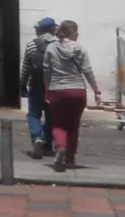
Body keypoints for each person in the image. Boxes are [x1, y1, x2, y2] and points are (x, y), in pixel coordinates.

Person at [43, 19, 102, 172]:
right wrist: (96, 90)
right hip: (77, 90)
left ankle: (60, 147)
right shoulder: (80, 48)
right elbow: (87, 70)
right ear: (73, 32)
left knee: (58, 124)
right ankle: (70, 158)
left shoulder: (50, 48)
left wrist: (47, 89)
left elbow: (46, 71)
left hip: (57, 90)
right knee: (73, 125)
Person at [18, 17, 58, 157]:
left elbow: (26, 68)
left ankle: (37, 137)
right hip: (54, 86)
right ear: (53, 29)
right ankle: (48, 144)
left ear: (39, 30)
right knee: (51, 116)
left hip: (36, 84)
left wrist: (22, 85)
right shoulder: (59, 45)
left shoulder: (31, 45)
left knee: (34, 114)